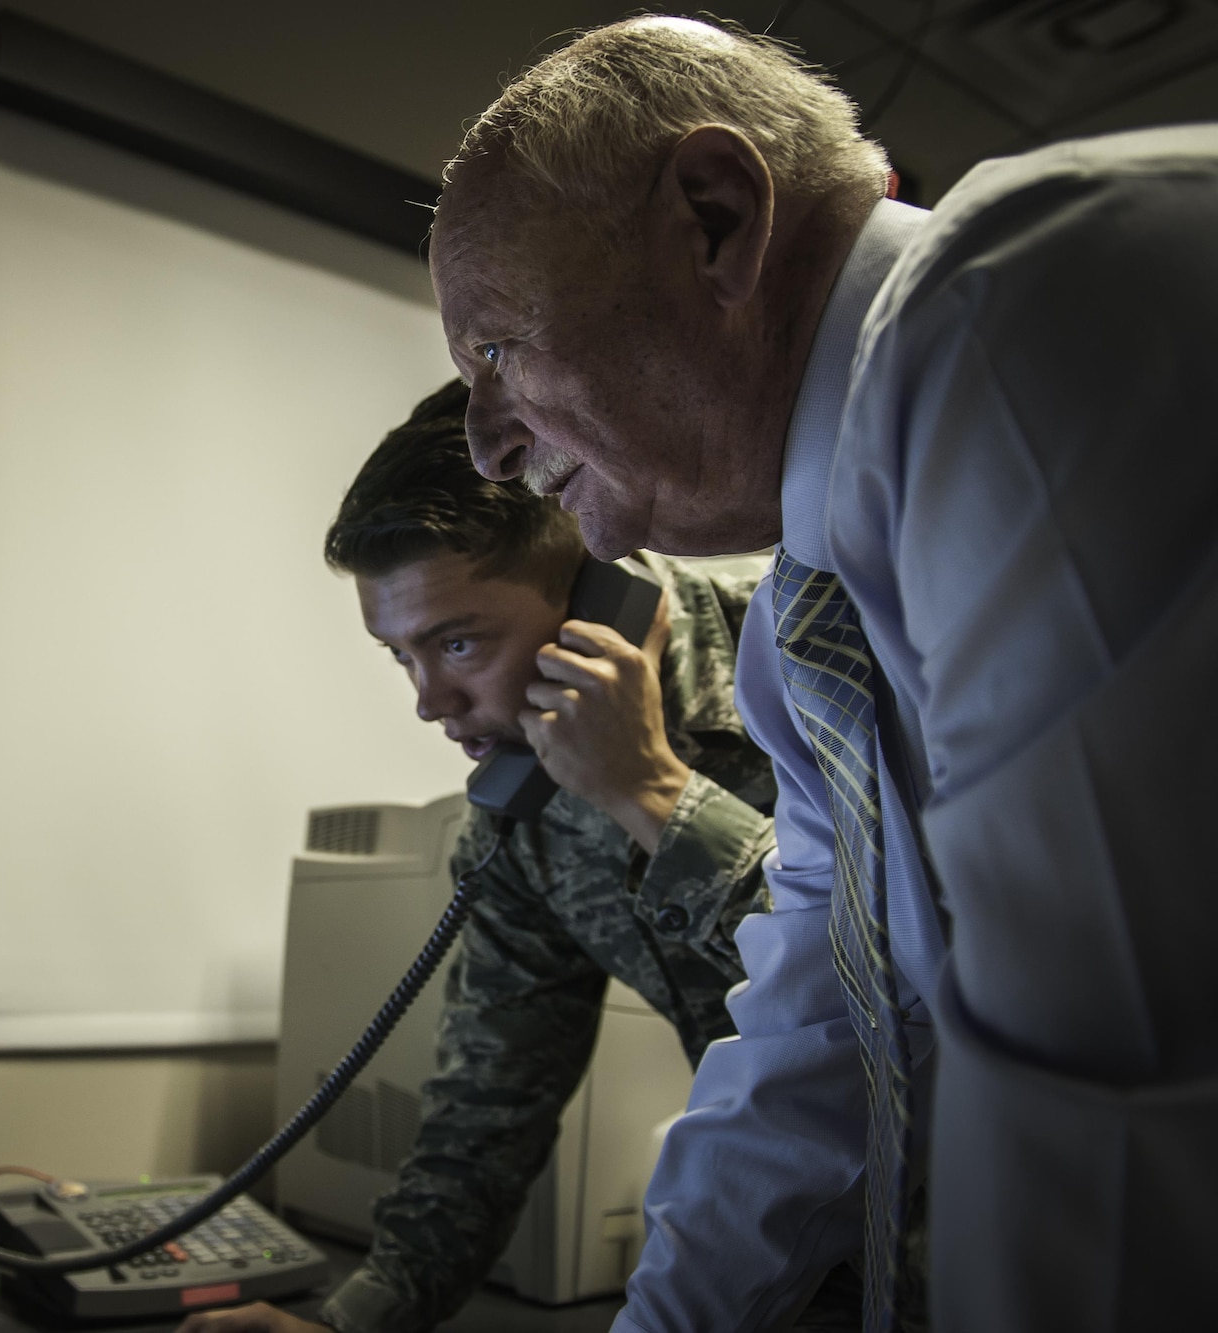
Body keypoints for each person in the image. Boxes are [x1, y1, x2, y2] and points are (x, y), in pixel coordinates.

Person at [427, 15, 1218, 1332]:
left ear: (717, 218)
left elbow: (1109, 1099)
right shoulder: (807, 629)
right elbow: (818, 1041)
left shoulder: (1015, 295)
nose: (487, 445)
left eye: (496, 350)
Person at [185, 381, 834, 1333]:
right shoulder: (520, 809)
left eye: (458, 642)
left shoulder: (812, 659)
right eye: (401, 655)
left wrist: (651, 792)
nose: (428, 700)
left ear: (598, 601)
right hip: (789, 1261)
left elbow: (893, 980)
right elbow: (486, 1110)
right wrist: (347, 1325)